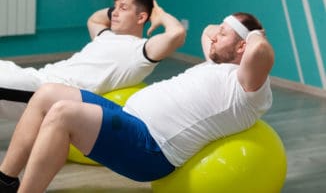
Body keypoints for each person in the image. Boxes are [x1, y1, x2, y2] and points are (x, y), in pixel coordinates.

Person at [0, 12, 274, 192]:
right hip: (128, 118)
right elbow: (207, 30)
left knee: (62, 113)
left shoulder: (249, 85)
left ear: (242, 48)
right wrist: (230, 30)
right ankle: (6, 180)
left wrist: (253, 32)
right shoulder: (217, 61)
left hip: (150, 148)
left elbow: (259, 49)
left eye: (224, 35)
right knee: (48, 92)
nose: (214, 37)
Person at [0, 0, 186, 120]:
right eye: (115, 7)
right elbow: (94, 20)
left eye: (123, 8)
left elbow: (177, 34)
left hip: (48, 90)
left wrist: (159, 14)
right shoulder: (106, 36)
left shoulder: (140, 51)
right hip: (36, 75)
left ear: (141, 17)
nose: (114, 12)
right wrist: (118, 7)